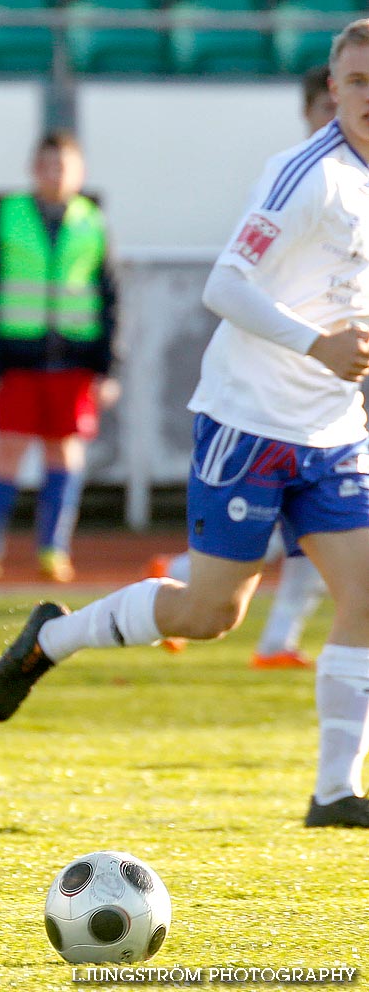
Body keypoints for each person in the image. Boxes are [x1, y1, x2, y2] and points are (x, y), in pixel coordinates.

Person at [0, 19, 369, 830]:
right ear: (330, 91)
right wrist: (318, 344)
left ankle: (334, 792)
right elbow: (223, 287)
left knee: (365, 596)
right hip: (250, 424)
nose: (368, 98)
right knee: (208, 615)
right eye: (357, 82)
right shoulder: (305, 175)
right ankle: (52, 639)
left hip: (332, 430)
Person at [146, 62, 336, 668]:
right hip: (275, 394)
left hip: (333, 394)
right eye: (329, 105)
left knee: (323, 532)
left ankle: (278, 638)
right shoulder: (294, 179)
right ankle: (176, 580)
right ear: (311, 111)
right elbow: (233, 283)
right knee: (279, 541)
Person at [0, 131, 118, 584]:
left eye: (65, 166)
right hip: (19, 357)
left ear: (80, 172)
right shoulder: (8, 215)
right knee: (8, 452)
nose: (56, 174)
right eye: (48, 165)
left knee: (65, 454)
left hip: (74, 360)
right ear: (35, 168)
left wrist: (108, 366)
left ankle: (53, 550)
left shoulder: (93, 221)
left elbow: (111, 297)